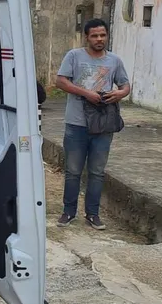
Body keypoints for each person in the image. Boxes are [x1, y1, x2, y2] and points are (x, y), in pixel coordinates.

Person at [54, 18, 131, 230]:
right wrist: (86, 93)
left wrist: (119, 93)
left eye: (103, 35)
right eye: (95, 35)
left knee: (97, 172)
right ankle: (68, 212)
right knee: (73, 171)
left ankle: (93, 214)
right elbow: (60, 81)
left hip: (103, 124)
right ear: (86, 37)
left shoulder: (114, 61)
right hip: (76, 124)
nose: (99, 39)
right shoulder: (74, 56)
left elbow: (125, 85)